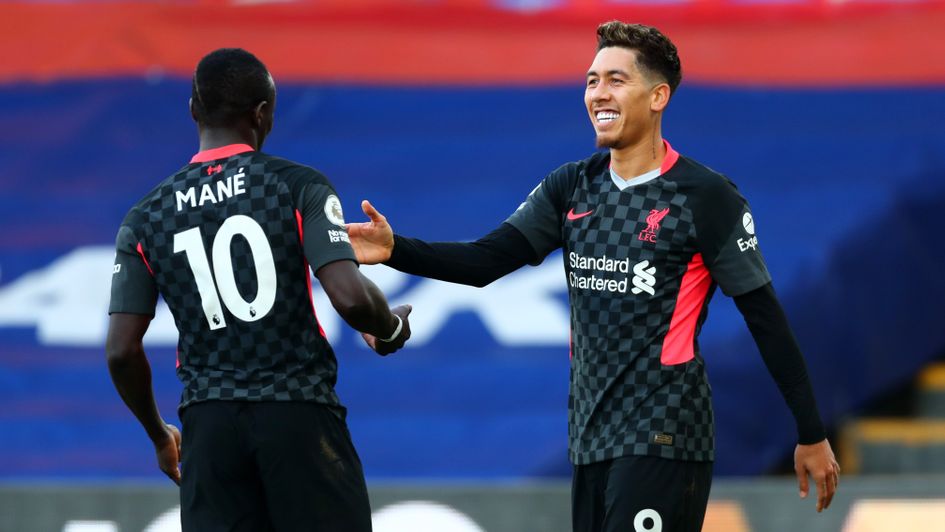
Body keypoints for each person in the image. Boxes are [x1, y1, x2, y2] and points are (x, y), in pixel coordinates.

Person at [346, 21, 839, 532]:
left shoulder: (705, 197)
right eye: (591, 80)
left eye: (616, 80)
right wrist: (395, 249)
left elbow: (766, 319)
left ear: (657, 96)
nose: (598, 93)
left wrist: (810, 430)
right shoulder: (572, 186)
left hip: (665, 431)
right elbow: (484, 262)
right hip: (590, 435)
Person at [105, 48, 411, 532]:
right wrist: (390, 326)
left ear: (193, 111)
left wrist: (159, 433)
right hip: (300, 418)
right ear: (263, 112)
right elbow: (351, 298)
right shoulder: (296, 187)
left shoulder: (145, 217)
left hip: (209, 432)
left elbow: (121, 352)